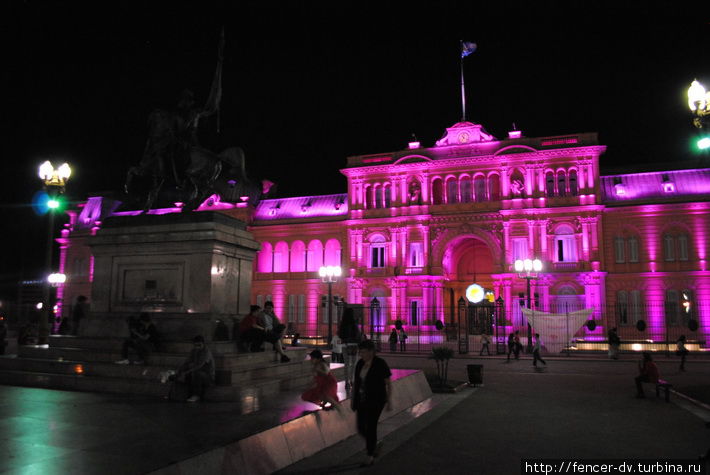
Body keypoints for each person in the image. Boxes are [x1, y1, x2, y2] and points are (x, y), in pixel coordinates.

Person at [352, 339, 392, 467]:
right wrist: (353, 399)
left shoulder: (380, 363)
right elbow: (356, 383)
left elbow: (388, 383)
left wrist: (389, 400)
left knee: (371, 426)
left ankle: (370, 456)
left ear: (371, 352)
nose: (360, 354)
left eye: (363, 352)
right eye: (360, 351)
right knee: (360, 427)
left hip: (376, 400)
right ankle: (374, 443)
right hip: (361, 400)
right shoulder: (359, 364)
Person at [172, 335, 215, 403]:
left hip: (208, 376)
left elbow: (199, 366)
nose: (197, 347)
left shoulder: (206, 352)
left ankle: (197, 395)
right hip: (196, 372)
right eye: (195, 345)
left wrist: (187, 372)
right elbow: (187, 362)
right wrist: (180, 370)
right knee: (186, 373)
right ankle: (186, 394)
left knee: (197, 374)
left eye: (199, 345)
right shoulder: (194, 351)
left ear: (203, 343)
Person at [338, 307, 361, 391]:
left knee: (346, 364)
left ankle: (346, 382)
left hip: (345, 345)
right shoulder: (354, 323)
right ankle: (352, 380)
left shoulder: (342, 324)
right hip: (354, 345)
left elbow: (340, 335)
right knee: (354, 364)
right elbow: (357, 335)